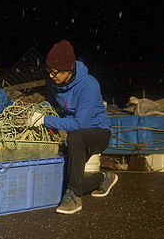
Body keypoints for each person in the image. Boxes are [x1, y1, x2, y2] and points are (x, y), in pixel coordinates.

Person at [31, 40, 118, 214]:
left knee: (76, 136)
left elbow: (79, 124)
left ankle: (74, 198)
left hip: (98, 132)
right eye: (49, 71)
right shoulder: (52, 82)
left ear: (69, 69)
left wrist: (44, 120)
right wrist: (42, 109)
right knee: (66, 180)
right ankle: (102, 179)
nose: (51, 76)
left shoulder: (89, 85)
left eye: (55, 72)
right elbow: (53, 105)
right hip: (74, 132)